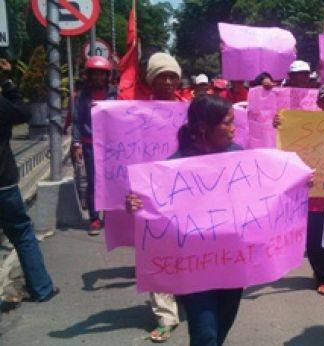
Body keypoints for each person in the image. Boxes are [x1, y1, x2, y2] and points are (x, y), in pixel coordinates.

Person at [126, 95, 243, 346]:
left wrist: (296, 185)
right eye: (228, 122)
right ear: (203, 127)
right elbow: (154, 208)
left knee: (222, 325)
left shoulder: (240, 157)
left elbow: (263, 193)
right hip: (195, 267)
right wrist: (136, 204)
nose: (234, 128)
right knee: (204, 334)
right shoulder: (175, 166)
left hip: (232, 263)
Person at [275, 84, 324, 295]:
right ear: (319, 103)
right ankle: (323, 276)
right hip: (314, 193)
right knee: (314, 238)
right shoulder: (305, 124)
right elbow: (291, 143)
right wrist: (279, 125)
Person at [0, 57, 59, 303]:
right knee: (23, 233)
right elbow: (24, 112)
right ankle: (41, 288)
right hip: (3, 184)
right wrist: (8, 82)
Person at [140, 52, 186, 342]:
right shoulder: (135, 113)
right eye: (161, 76)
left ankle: (188, 296)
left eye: (172, 76)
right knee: (156, 250)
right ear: (151, 80)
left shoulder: (191, 110)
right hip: (152, 192)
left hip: (187, 192)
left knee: (185, 248)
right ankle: (166, 315)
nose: (167, 81)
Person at [71, 56, 119, 235]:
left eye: (101, 74)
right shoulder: (82, 96)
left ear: (107, 76)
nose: (98, 77)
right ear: (89, 76)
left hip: (112, 146)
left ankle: (110, 216)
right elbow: (77, 120)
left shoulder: (115, 93)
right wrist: (76, 143)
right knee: (93, 182)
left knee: (111, 180)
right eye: (94, 74)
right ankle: (94, 218)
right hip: (90, 145)